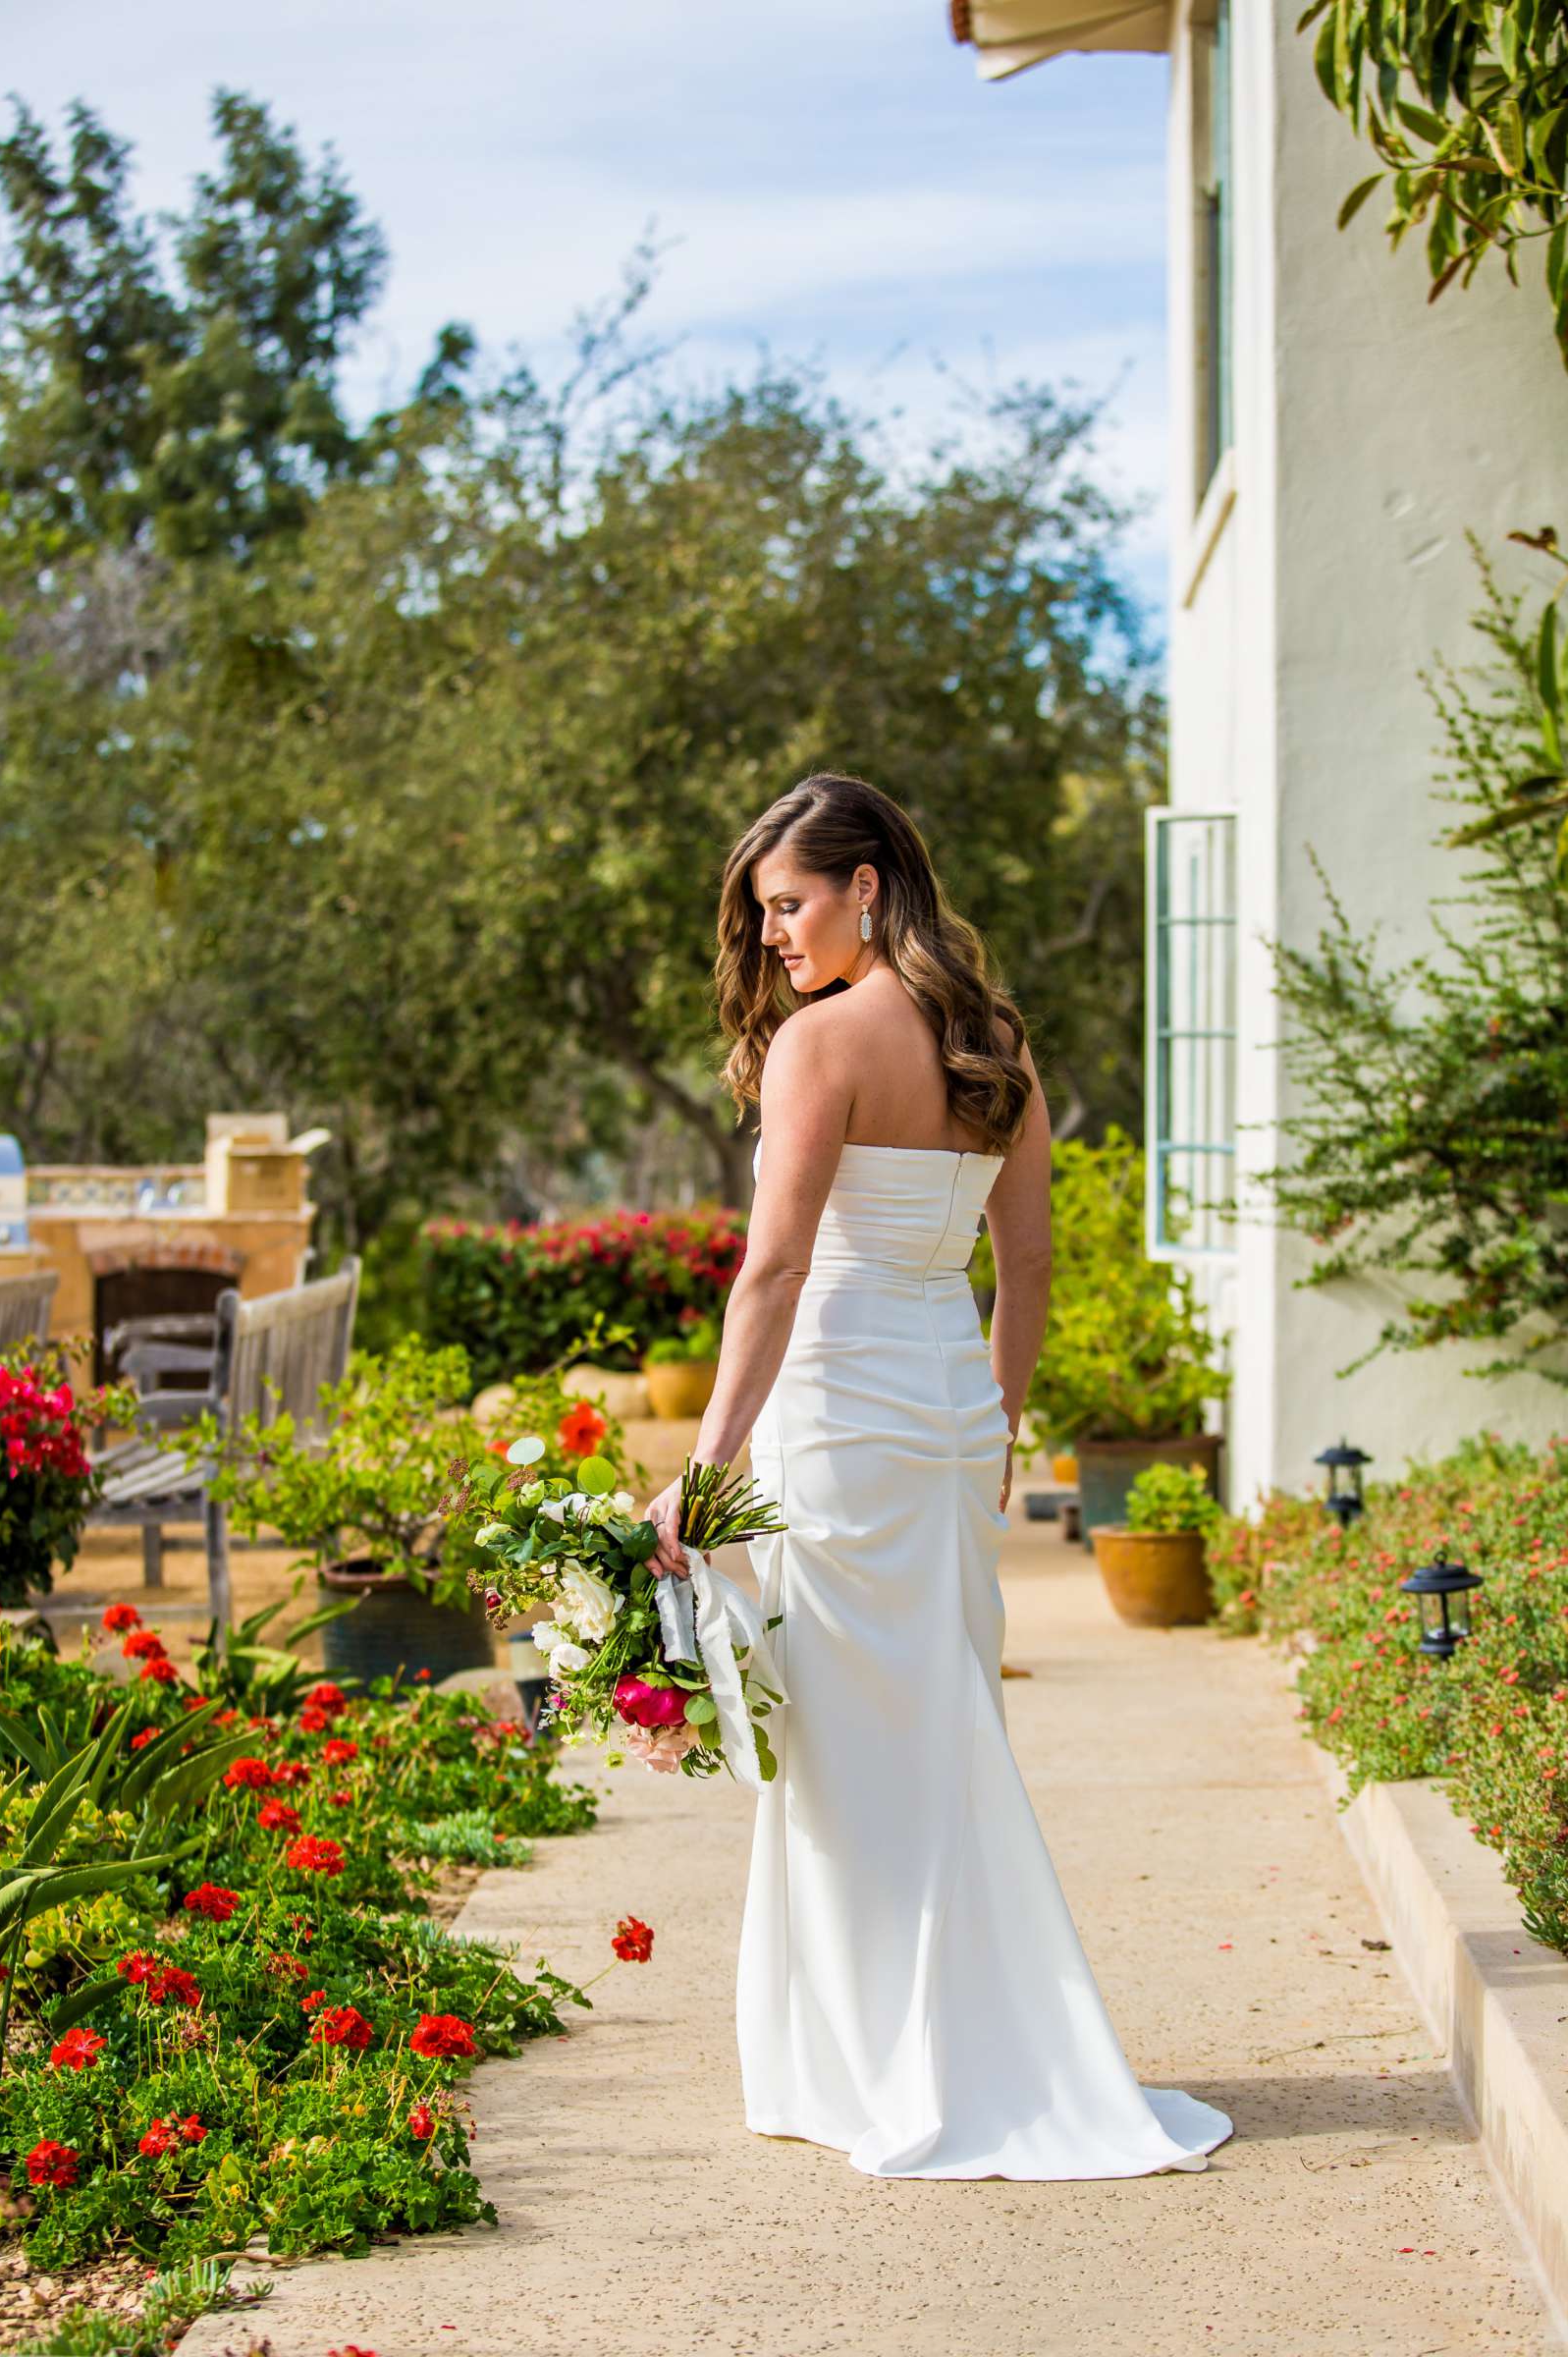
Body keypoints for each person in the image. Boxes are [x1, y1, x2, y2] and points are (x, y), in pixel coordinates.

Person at [643, 771, 1233, 2181]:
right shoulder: (993, 1041)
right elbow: (1022, 1264)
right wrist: (998, 1417)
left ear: (865, 885)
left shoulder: (820, 1046)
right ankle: (939, 2050)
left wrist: (703, 1472)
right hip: (946, 1411)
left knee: (847, 1754)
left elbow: (773, 1271)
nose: (773, 934)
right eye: (762, 912)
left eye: (788, 904)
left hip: (839, 1415)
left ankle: (875, 2065)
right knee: (938, 1726)